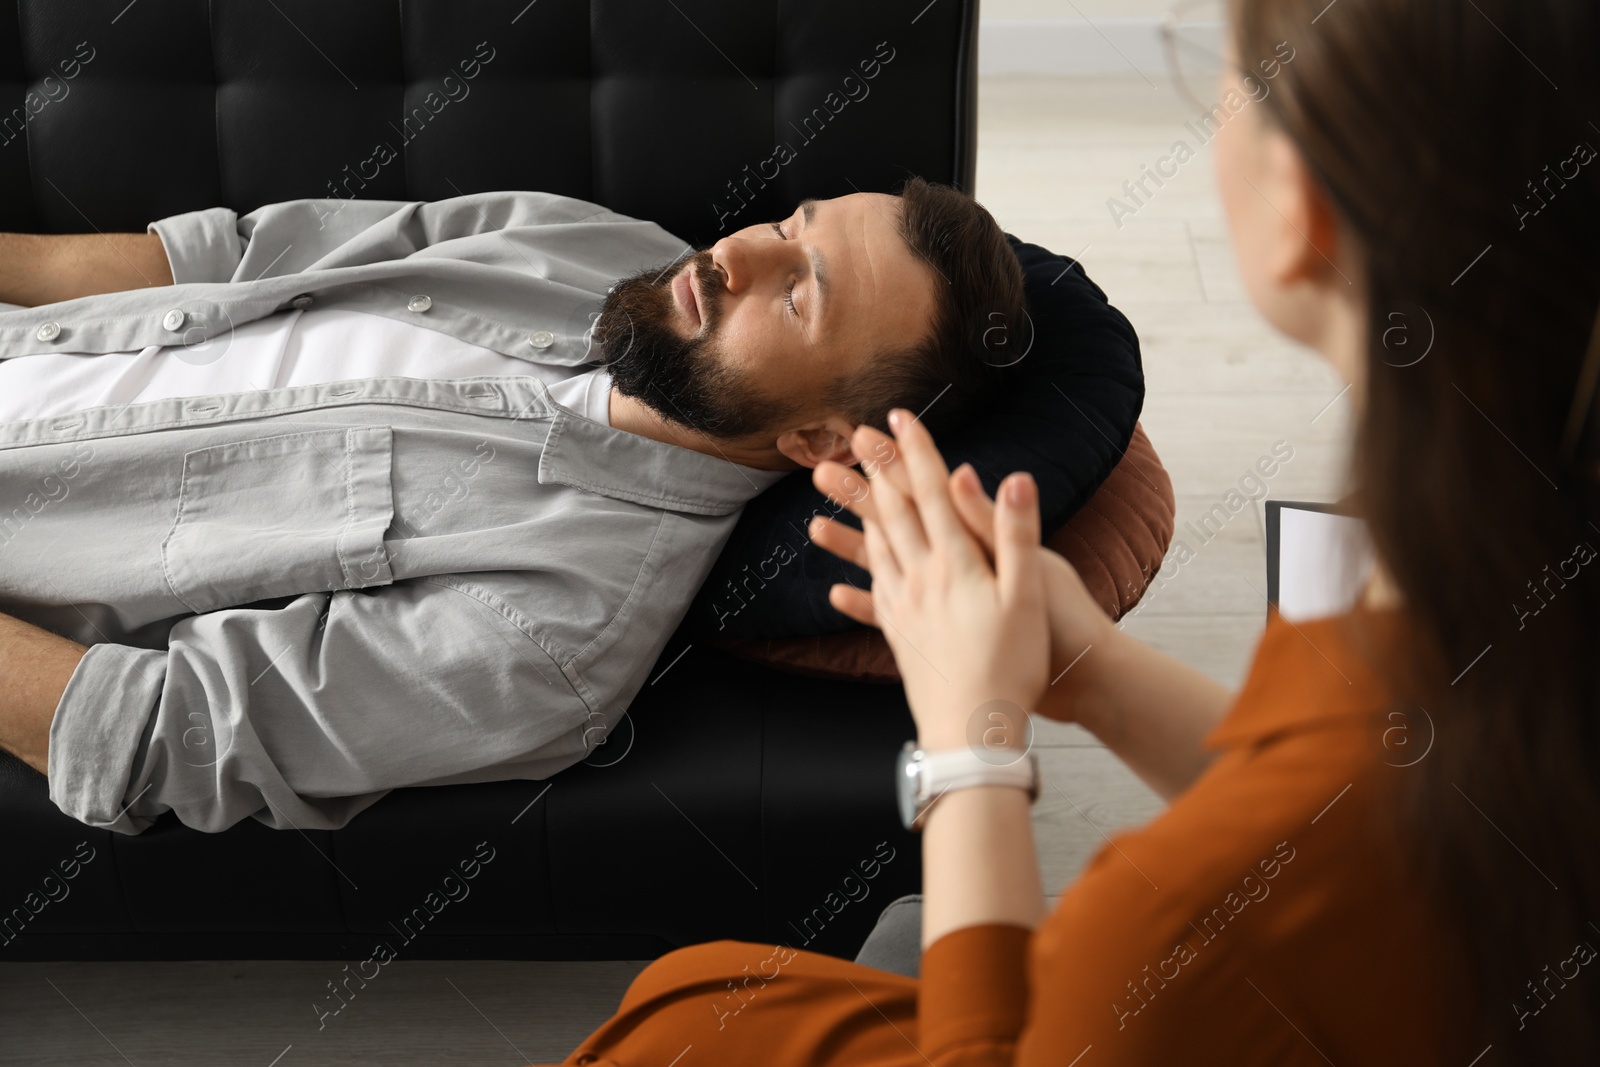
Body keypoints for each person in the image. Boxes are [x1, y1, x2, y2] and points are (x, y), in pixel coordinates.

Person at [542, 0, 1600, 1062]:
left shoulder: (1164, 945)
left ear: (1301, 210)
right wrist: (1089, 667)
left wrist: (970, 740)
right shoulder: (1461, 626)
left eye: (1224, 81)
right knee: (695, 992)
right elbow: (1392, 812)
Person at [0, 179, 1027, 835]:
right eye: (792, 223)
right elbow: (222, 258)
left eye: (799, 294)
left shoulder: (558, 634)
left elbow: (145, 733)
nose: (732, 254)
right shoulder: (585, 242)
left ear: (818, 443)